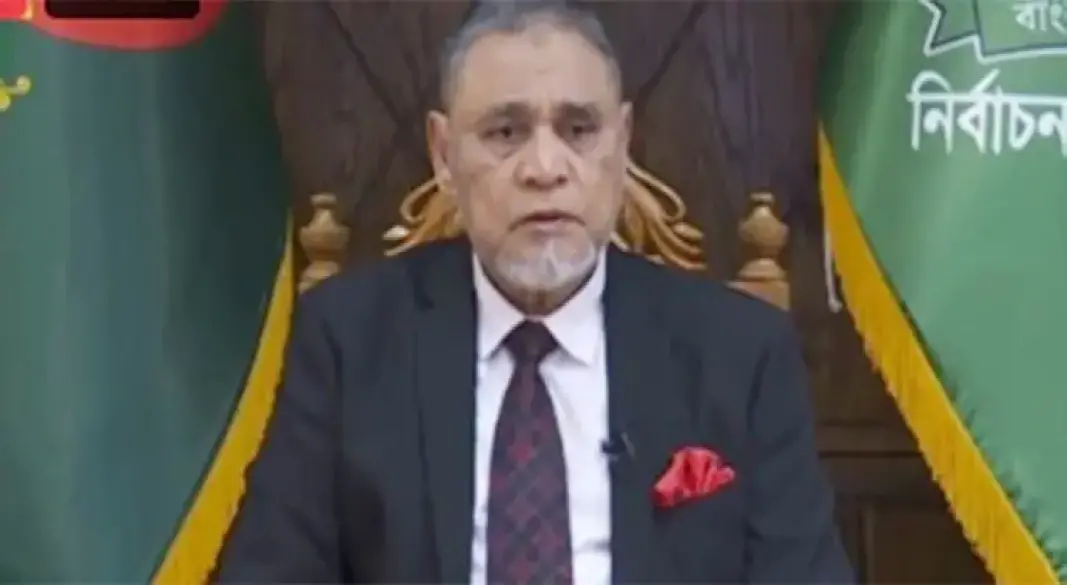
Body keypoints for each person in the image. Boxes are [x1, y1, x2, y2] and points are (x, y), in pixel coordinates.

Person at [214, 1, 853, 583]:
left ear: (622, 142)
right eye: (505, 132)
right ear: (443, 154)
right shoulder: (348, 341)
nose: (545, 169)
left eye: (579, 129)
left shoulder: (739, 354)